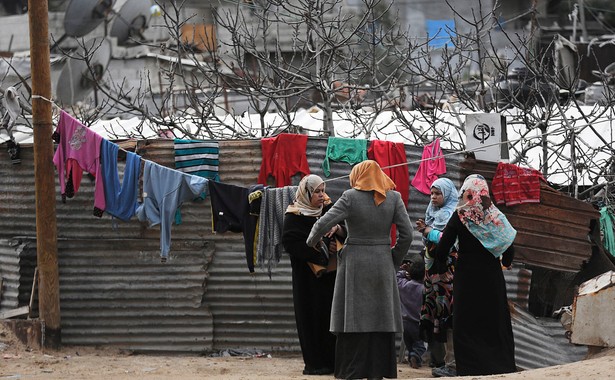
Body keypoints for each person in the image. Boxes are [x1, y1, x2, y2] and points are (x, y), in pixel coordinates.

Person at [306, 160, 413, 380]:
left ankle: (353, 371)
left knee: (353, 316)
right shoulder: (394, 198)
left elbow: (323, 223)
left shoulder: (350, 197)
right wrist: (393, 258)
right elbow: (408, 234)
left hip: (355, 263)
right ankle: (378, 371)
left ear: (357, 176)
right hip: (383, 261)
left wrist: (311, 242)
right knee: (380, 316)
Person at [434, 174, 516, 376]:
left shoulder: (460, 215)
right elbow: (508, 245)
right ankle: (500, 365)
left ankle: (469, 367)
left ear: (466, 192)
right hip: (491, 276)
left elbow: (443, 247)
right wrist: (505, 262)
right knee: (493, 319)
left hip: (467, 276)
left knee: (467, 321)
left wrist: (440, 267)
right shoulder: (494, 215)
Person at [281, 174, 345, 376]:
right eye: (316, 191)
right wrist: (322, 250)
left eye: (322, 190)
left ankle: (334, 362)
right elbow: (291, 242)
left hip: (330, 276)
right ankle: (315, 364)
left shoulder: (329, 208)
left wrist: (338, 235)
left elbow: (345, 228)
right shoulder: (294, 215)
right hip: (307, 278)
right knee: (310, 318)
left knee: (330, 317)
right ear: (306, 193)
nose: (321, 195)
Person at [415, 178, 458, 377]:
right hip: (432, 274)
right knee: (433, 314)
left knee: (447, 315)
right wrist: (426, 230)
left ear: (447, 195)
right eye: (432, 193)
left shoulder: (453, 214)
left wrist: (429, 232)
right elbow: (429, 237)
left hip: (446, 273)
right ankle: (438, 360)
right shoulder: (431, 213)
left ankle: (450, 362)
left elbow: (447, 241)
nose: (433, 197)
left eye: (437, 193)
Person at [396, 260, 427, 369]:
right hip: (417, 323)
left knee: (410, 345)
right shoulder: (424, 289)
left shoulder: (404, 285)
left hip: (404, 323)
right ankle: (415, 357)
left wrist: (405, 272)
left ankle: (413, 359)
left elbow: (396, 276)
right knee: (419, 346)